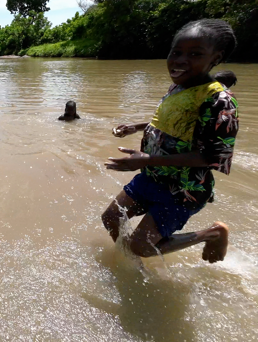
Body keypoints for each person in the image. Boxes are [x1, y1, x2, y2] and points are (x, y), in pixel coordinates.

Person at [102, 19, 239, 263]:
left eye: (195, 54)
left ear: (216, 58)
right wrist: (137, 126)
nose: (180, 61)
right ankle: (129, 260)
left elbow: (213, 156)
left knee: (142, 246)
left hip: (183, 188)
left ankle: (213, 233)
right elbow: (171, 123)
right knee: (111, 217)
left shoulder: (220, 101)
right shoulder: (178, 87)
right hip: (152, 176)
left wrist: (147, 159)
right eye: (176, 53)